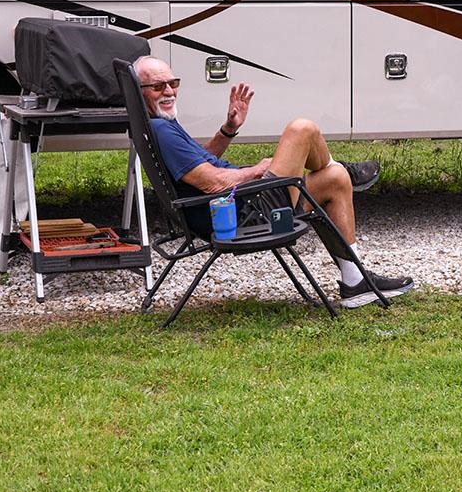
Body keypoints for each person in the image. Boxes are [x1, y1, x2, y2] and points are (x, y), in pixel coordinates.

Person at [133, 55, 413, 308]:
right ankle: (344, 168)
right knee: (301, 129)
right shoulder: (162, 130)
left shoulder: (160, 124)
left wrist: (229, 129)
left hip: (240, 205)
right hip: (243, 215)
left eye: (173, 83)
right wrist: (256, 170)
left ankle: (355, 283)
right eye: (158, 87)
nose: (169, 91)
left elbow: (199, 162)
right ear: (140, 91)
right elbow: (211, 182)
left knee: (334, 180)